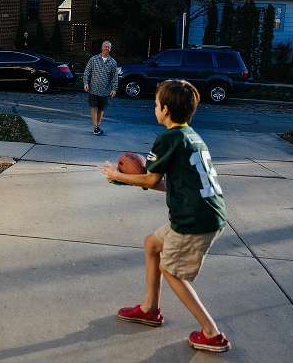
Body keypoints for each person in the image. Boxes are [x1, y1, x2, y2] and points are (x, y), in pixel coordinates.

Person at [98, 80, 230, 353]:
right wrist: (131, 181)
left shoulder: (168, 138)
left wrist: (117, 175)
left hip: (194, 220)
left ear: (166, 110)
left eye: (156, 104)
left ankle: (212, 333)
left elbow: (151, 176)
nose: (154, 108)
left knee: (171, 271)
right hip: (203, 211)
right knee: (152, 244)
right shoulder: (191, 136)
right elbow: (171, 184)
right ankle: (149, 309)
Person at [83, 40, 118, 135]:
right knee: (93, 107)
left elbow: (114, 77)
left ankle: (97, 126)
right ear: (102, 48)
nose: (106, 48)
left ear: (110, 49)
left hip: (105, 90)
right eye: (105, 46)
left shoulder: (113, 62)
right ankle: (95, 127)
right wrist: (85, 82)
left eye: (108, 47)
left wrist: (114, 88)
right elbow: (87, 72)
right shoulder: (93, 59)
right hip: (93, 88)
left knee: (101, 109)